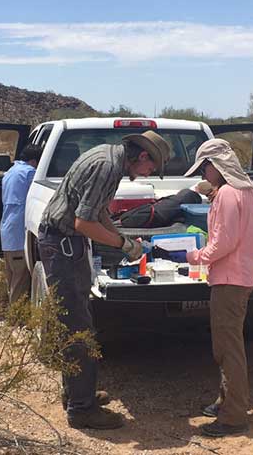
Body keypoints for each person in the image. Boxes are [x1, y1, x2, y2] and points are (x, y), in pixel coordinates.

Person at [38, 130, 171, 430]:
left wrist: (119, 237)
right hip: (62, 244)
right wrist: (121, 245)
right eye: (152, 168)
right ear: (143, 156)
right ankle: (82, 410)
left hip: (66, 245)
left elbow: (97, 212)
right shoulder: (108, 166)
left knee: (77, 319)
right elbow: (82, 222)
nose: (151, 173)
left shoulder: (110, 158)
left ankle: (77, 392)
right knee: (77, 326)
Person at [184, 138, 253, 438]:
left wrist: (195, 256)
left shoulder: (229, 194)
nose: (203, 174)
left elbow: (223, 242)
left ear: (216, 166)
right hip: (241, 276)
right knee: (228, 345)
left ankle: (233, 417)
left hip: (229, 280)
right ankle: (226, 402)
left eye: (205, 167)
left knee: (228, 348)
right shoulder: (246, 191)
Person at [0, 144, 43, 304]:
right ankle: (16, 317)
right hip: (18, 234)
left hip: (7, 231)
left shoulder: (10, 172)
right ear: (34, 161)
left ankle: (12, 311)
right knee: (20, 280)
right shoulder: (29, 173)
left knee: (12, 278)